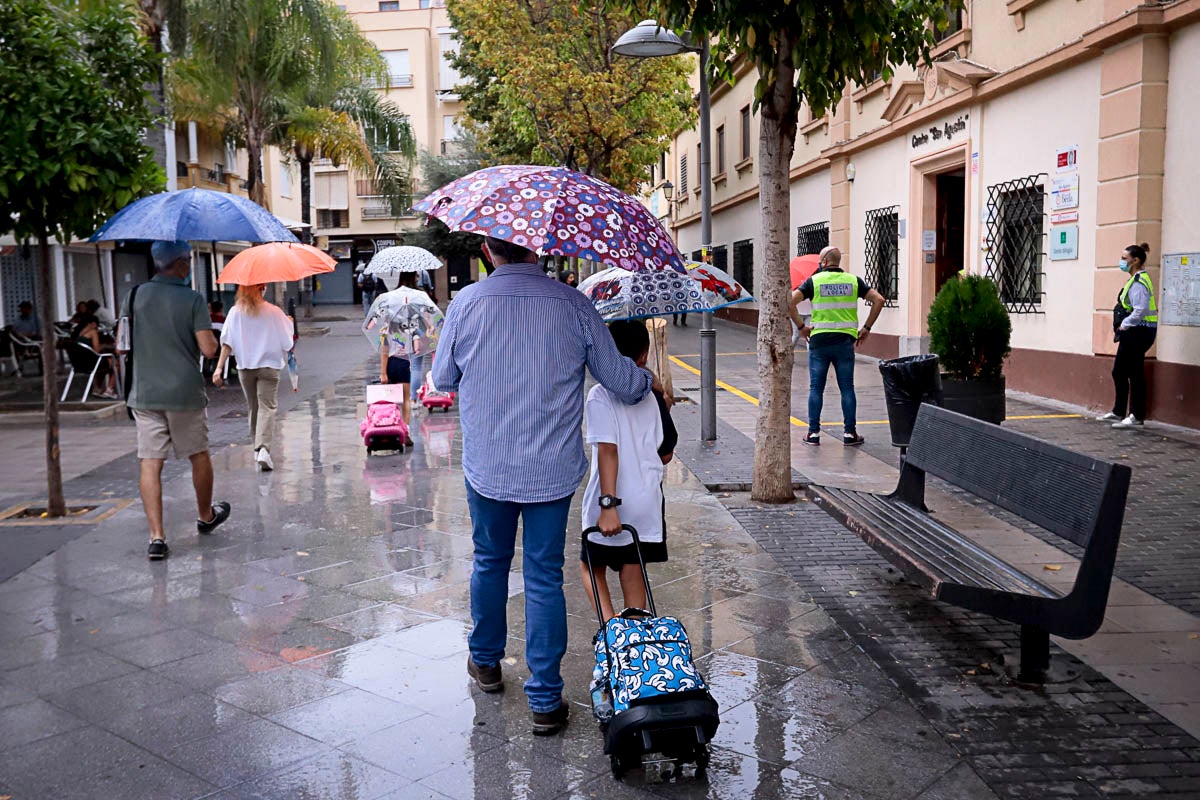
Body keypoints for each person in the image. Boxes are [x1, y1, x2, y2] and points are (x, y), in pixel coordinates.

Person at [432, 236, 662, 736]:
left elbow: (442, 377)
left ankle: (487, 664)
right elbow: (622, 382)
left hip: (487, 467)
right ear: (537, 249)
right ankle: (543, 699)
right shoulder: (573, 304)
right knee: (542, 575)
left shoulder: (466, 303)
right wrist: (649, 384)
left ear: (489, 251)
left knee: (489, 561)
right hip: (549, 472)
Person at [119, 241, 231, 560]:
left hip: (144, 392)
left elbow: (121, 344)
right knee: (198, 454)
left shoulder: (134, 295)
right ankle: (206, 515)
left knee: (150, 461)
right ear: (182, 264)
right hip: (184, 392)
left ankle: (157, 537)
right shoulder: (192, 299)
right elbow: (208, 349)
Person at [580, 320, 677, 621]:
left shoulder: (600, 394)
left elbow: (608, 449)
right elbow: (666, 454)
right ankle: (634, 646)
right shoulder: (653, 395)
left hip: (611, 498)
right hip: (646, 500)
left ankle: (612, 634)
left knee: (590, 567)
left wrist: (608, 504)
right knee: (633, 569)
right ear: (644, 355)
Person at [789, 246, 885, 447]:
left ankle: (813, 433)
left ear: (823, 262)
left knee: (816, 388)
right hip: (844, 342)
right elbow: (879, 300)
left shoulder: (814, 282)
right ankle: (850, 433)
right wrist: (866, 328)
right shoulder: (853, 280)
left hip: (819, 342)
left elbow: (789, 302)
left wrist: (801, 327)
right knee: (847, 388)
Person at [214, 284, 295, 471]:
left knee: (254, 408)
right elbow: (287, 342)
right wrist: (288, 323)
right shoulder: (274, 312)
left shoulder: (235, 312)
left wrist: (219, 368)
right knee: (267, 407)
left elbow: (227, 343)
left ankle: (257, 450)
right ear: (262, 289)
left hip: (245, 367)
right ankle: (263, 448)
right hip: (269, 367)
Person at [1098, 242, 1157, 429]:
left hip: (1139, 331)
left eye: (1124, 258)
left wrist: (1124, 324)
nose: (1121, 261)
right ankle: (1118, 411)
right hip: (1134, 331)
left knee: (1135, 373)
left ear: (1135, 260)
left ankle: (1136, 416)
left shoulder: (1139, 282)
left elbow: (1140, 310)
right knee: (1119, 371)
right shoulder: (1134, 279)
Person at [378, 271, 433, 430]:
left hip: (398, 338)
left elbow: (387, 323)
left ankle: (398, 419)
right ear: (412, 277)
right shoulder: (420, 295)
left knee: (399, 388)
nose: (418, 278)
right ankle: (414, 399)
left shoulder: (392, 297)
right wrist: (429, 328)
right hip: (418, 334)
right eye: (416, 276)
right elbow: (427, 316)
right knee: (416, 367)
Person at [69, 312, 118, 399]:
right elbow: (96, 350)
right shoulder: (92, 332)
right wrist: (103, 346)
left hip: (79, 364)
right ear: (93, 324)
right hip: (91, 363)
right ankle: (110, 390)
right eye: (97, 325)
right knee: (116, 363)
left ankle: (98, 389)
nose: (97, 328)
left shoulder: (78, 333)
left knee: (104, 365)